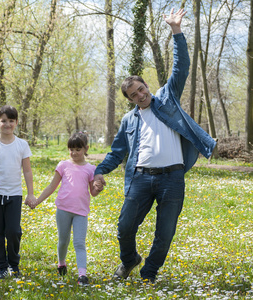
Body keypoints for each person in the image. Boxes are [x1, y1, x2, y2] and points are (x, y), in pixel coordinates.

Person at [93, 9, 217, 284]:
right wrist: (98, 171)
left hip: (172, 177)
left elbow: (181, 67)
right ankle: (130, 260)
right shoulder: (130, 120)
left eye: (141, 88)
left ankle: (149, 274)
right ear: (130, 99)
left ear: (147, 85)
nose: (141, 94)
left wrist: (176, 31)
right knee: (125, 227)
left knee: (165, 232)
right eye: (134, 94)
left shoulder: (167, 99)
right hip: (140, 177)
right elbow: (117, 152)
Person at [28, 132, 101, 286]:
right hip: (63, 210)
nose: (74, 153)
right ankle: (61, 263)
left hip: (81, 212)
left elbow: (93, 192)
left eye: (78, 149)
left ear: (86, 148)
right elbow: (51, 186)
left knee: (79, 243)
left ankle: (82, 275)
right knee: (63, 240)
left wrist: (98, 188)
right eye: (71, 149)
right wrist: (37, 201)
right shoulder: (63, 165)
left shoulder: (91, 169)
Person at [0, 105, 36, 279]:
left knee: (13, 231)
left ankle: (13, 264)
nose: (7, 124)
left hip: (14, 195)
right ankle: (1, 266)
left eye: (11, 121)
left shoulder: (22, 145)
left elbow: (27, 171)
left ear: (16, 123)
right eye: (4, 120)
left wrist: (30, 193)